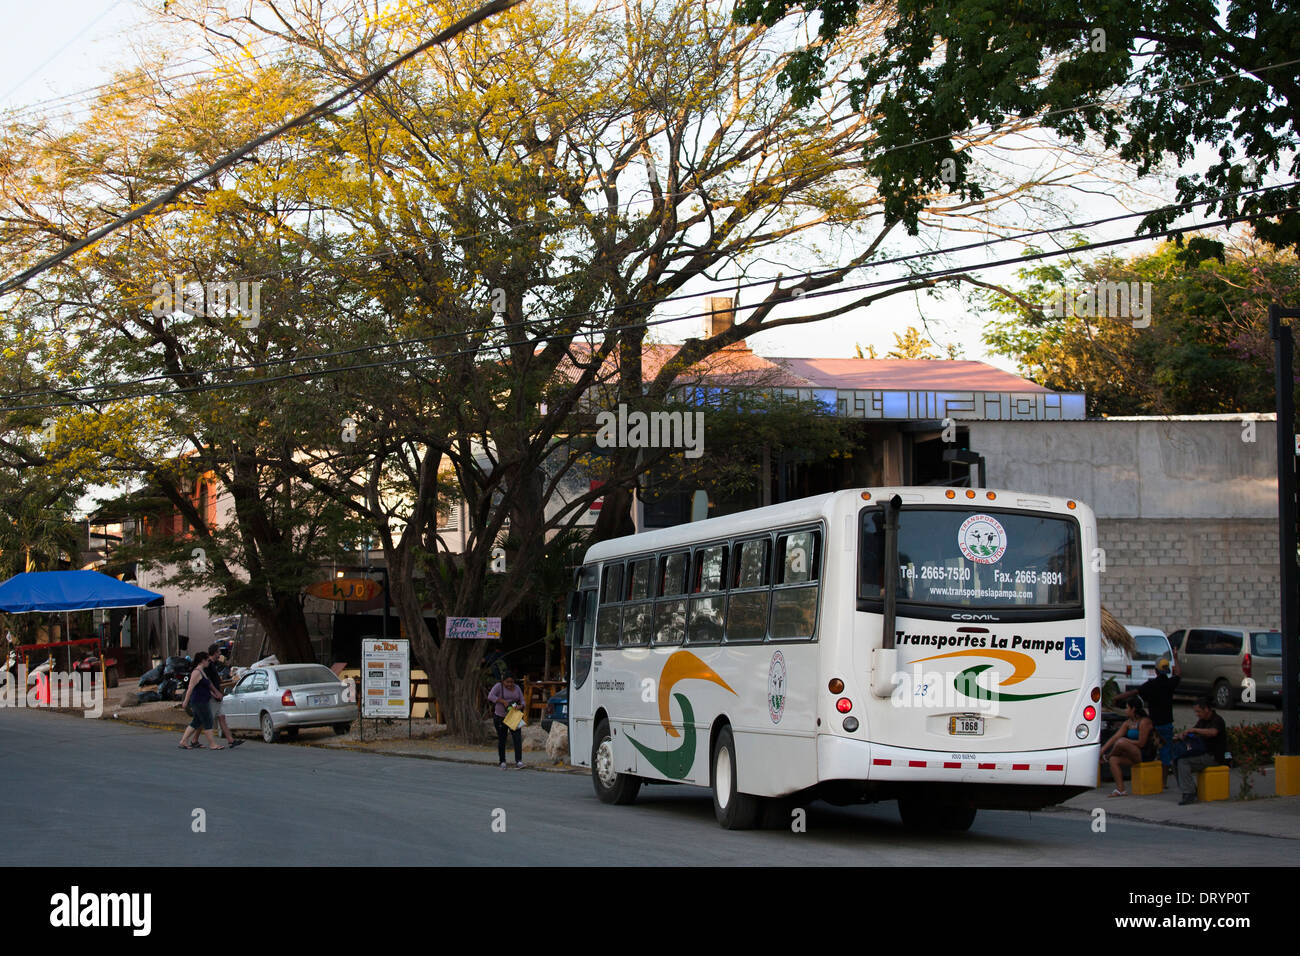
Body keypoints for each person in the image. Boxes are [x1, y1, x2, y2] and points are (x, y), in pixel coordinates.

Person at [1114, 652, 1180, 771]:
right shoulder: (1171, 683)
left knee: (1151, 751)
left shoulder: (1151, 685)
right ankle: (1163, 782)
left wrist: (1116, 698)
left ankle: (1150, 775)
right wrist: (1175, 657)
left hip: (1153, 725)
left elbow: (1134, 692)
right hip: (1167, 724)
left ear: (1156, 671)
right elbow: (1178, 674)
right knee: (1165, 753)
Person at [1174, 696, 1228, 805]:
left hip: (1214, 756)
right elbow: (1193, 733)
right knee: (1176, 759)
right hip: (1202, 754)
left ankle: (1189, 793)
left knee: (1183, 762)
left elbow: (1213, 732)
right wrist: (1181, 735)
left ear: (1207, 709)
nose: (1197, 714)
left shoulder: (1217, 720)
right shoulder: (1202, 721)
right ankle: (1189, 789)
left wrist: (1194, 730)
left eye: (1198, 711)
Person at [1099, 698, 1156, 796]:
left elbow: (1142, 743)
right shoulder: (1128, 723)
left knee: (1121, 742)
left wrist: (1126, 741)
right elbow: (1115, 737)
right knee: (1114, 760)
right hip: (1132, 754)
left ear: (1133, 709)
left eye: (1127, 708)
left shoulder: (1144, 722)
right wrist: (1102, 750)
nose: (1125, 710)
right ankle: (1121, 789)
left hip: (1144, 753)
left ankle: (1107, 757)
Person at [178, 652, 224, 750]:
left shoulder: (202, 671)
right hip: (198, 701)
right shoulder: (196, 672)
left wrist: (215, 694)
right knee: (208, 720)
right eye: (208, 660)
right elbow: (190, 688)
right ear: (202, 660)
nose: (209, 662)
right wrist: (185, 701)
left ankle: (183, 741)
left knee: (197, 721)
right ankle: (212, 744)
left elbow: (206, 686)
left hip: (203, 699)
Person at [204, 643, 242, 748]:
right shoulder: (208, 665)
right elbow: (207, 681)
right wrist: (214, 693)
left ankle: (230, 740)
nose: (220, 654)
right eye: (218, 652)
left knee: (221, 717)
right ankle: (197, 740)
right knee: (206, 720)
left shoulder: (213, 664)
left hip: (217, 695)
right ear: (214, 653)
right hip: (213, 696)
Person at [488, 674, 526, 769]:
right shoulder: (498, 686)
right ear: (503, 681)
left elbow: (523, 701)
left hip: (513, 716)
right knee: (502, 739)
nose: (509, 684)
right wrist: (502, 701)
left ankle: (519, 761)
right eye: (507, 682)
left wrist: (520, 706)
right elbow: (490, 696)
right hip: (501, 717)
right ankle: (502, 761)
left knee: (517, 738)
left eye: (512, 682)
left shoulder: (517, 688)